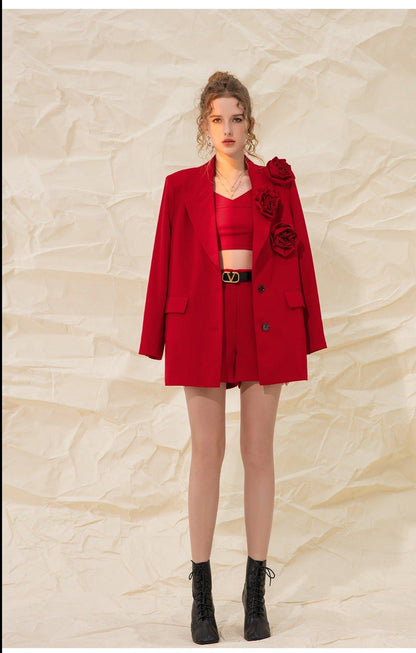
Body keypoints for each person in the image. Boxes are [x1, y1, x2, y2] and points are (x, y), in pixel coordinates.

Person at [138, 71, 327, 644]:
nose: (228, 128)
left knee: (258, 453)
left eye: (237, 118)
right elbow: (163, 259)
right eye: (217, 119)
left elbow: (301, 256)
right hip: (200, 322)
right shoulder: (179, 188)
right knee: (207, 453)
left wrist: (309, 330)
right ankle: (201, 596)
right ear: (204, 126)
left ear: (250, 124)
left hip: (265, 321)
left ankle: (254, 594)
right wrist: (154, 336)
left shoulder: (276, 184)